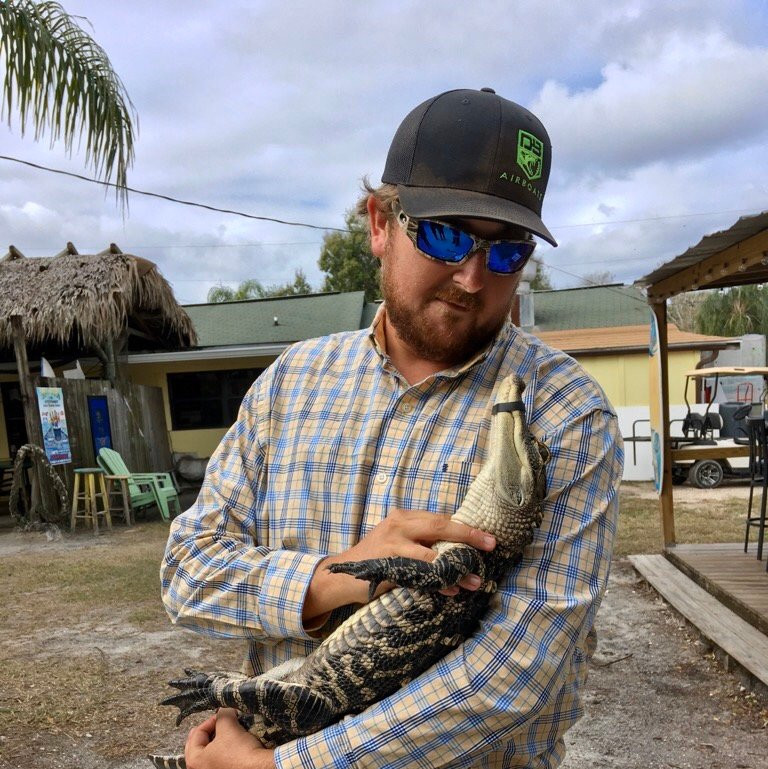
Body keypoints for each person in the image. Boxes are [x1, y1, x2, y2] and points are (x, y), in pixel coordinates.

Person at [161, 87, 623, 769]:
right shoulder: (291, 382)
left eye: (507, 251)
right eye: (444, 233)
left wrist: (281, 768)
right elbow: (187, 568)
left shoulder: (567, 414)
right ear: (380, 222)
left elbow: (512, 675)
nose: (472, 276)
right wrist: (338, 577)